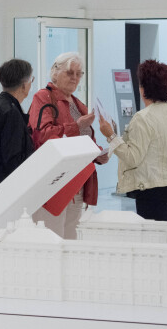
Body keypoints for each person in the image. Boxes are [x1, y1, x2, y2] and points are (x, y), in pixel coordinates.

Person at [99, 60, 167, 221]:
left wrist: (110, 136)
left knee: (155, 240)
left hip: (154, 190)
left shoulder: (142, 118)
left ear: (142, 89)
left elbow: (133, 157)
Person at [28, 51, 109, 239]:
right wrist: (77, 126)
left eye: (78, 73)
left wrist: (97, 154)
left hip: (77, 183)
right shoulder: (43, 98)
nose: (75, 78)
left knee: (71, 240)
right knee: (51, 239)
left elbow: (82, 141)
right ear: (55, 73)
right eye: (69, 73)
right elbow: (43, 136)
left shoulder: (77, 103)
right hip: (54, 183)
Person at [0, 59, 35, 192]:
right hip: (6, 187)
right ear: (24, 85)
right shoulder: (11, 112)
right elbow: (13, 159)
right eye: (31, 80)